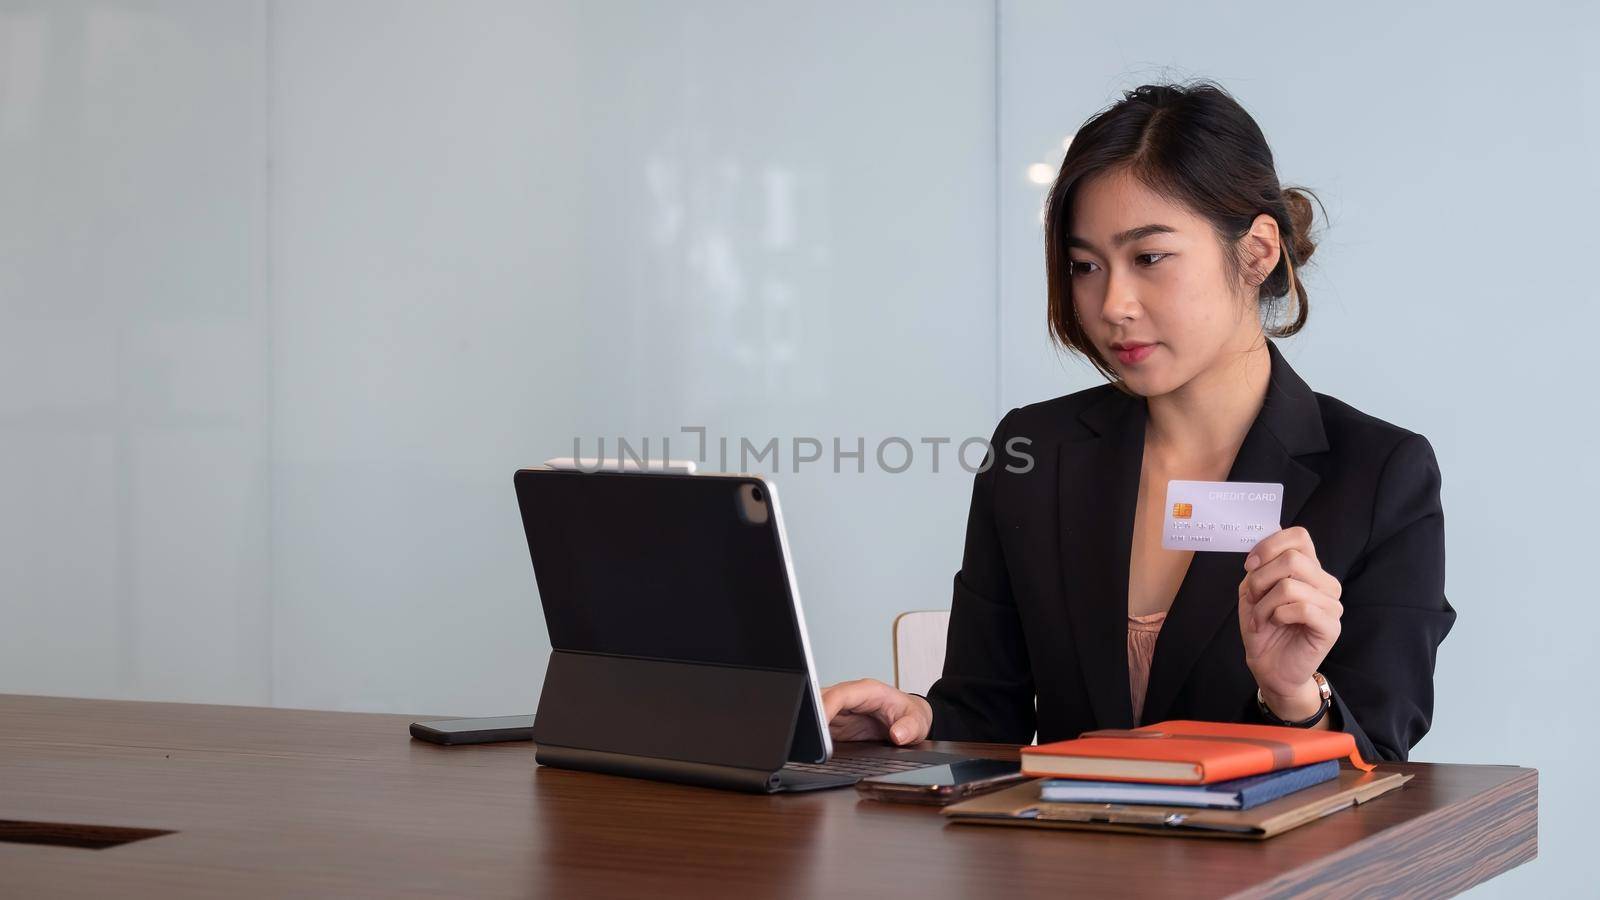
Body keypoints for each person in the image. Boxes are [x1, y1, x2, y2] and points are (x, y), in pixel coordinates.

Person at [821, 82, 1455, 764]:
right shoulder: (1035, 451)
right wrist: (912, 718)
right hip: (1064, 866)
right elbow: (986, 713)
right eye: (1085, 266)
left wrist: (1293, 696)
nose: (1112, 303)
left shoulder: (1377, 473)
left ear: (1258, 250)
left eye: (1149, 258)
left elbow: (1381, 761)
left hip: (1263, 871)